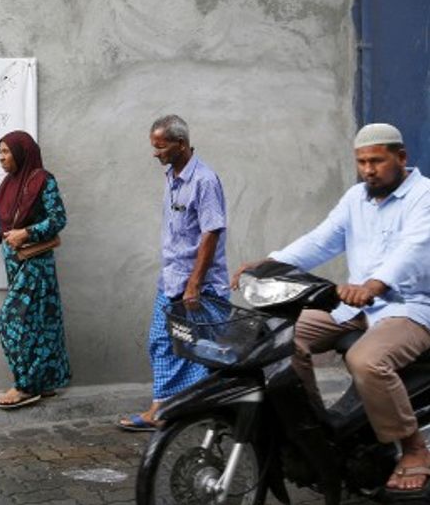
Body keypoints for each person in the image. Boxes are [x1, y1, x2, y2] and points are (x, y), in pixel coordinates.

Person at [232, 123, 430, 493]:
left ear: (401, 157)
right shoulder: (357, 198)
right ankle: (312, 432)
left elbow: (415, 249)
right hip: (355, 308)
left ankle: (414, 447)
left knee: (367, 361)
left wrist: (374, 284)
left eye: (377, 161)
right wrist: (270, 263)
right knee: (278, 337)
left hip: (411, 308)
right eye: (361, 162)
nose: (368, 170)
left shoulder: (425, 196)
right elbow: (321, 240)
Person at [118, 114, 229, 431]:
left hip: (198, 287)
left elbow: (211, 233)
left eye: (161, 146)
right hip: (171, 281)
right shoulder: (172, 175)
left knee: (201, 350)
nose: (156, 153)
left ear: (181, 144)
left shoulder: (204, 180)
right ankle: (164, 407)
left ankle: (186, 412)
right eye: (154, 146)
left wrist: (194, 283)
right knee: (161, 342)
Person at [0, 130, 71, 409]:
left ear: (21, 152)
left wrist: (26, 233)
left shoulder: (42, 181)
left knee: (10, 322)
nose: (1, 158)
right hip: (16, 266)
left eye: (6, 152)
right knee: (39, 325)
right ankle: (45, 382)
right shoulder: (7, 186)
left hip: (36, 266)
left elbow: (58, 219)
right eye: (0, 152)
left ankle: (26, 386)